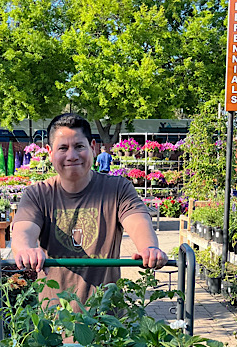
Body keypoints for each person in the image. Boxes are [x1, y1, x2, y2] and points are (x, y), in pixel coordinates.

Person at [11, 113, 167, 303]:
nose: (72, 156)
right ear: (50, 152)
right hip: (55, 316)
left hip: (106, 315)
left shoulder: (117, 189)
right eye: (63, 148)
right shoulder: (37, 194)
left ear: (92, 147)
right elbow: (23, 230)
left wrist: (148, 248)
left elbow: (137, 221)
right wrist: (26, 249)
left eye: (79, 146)